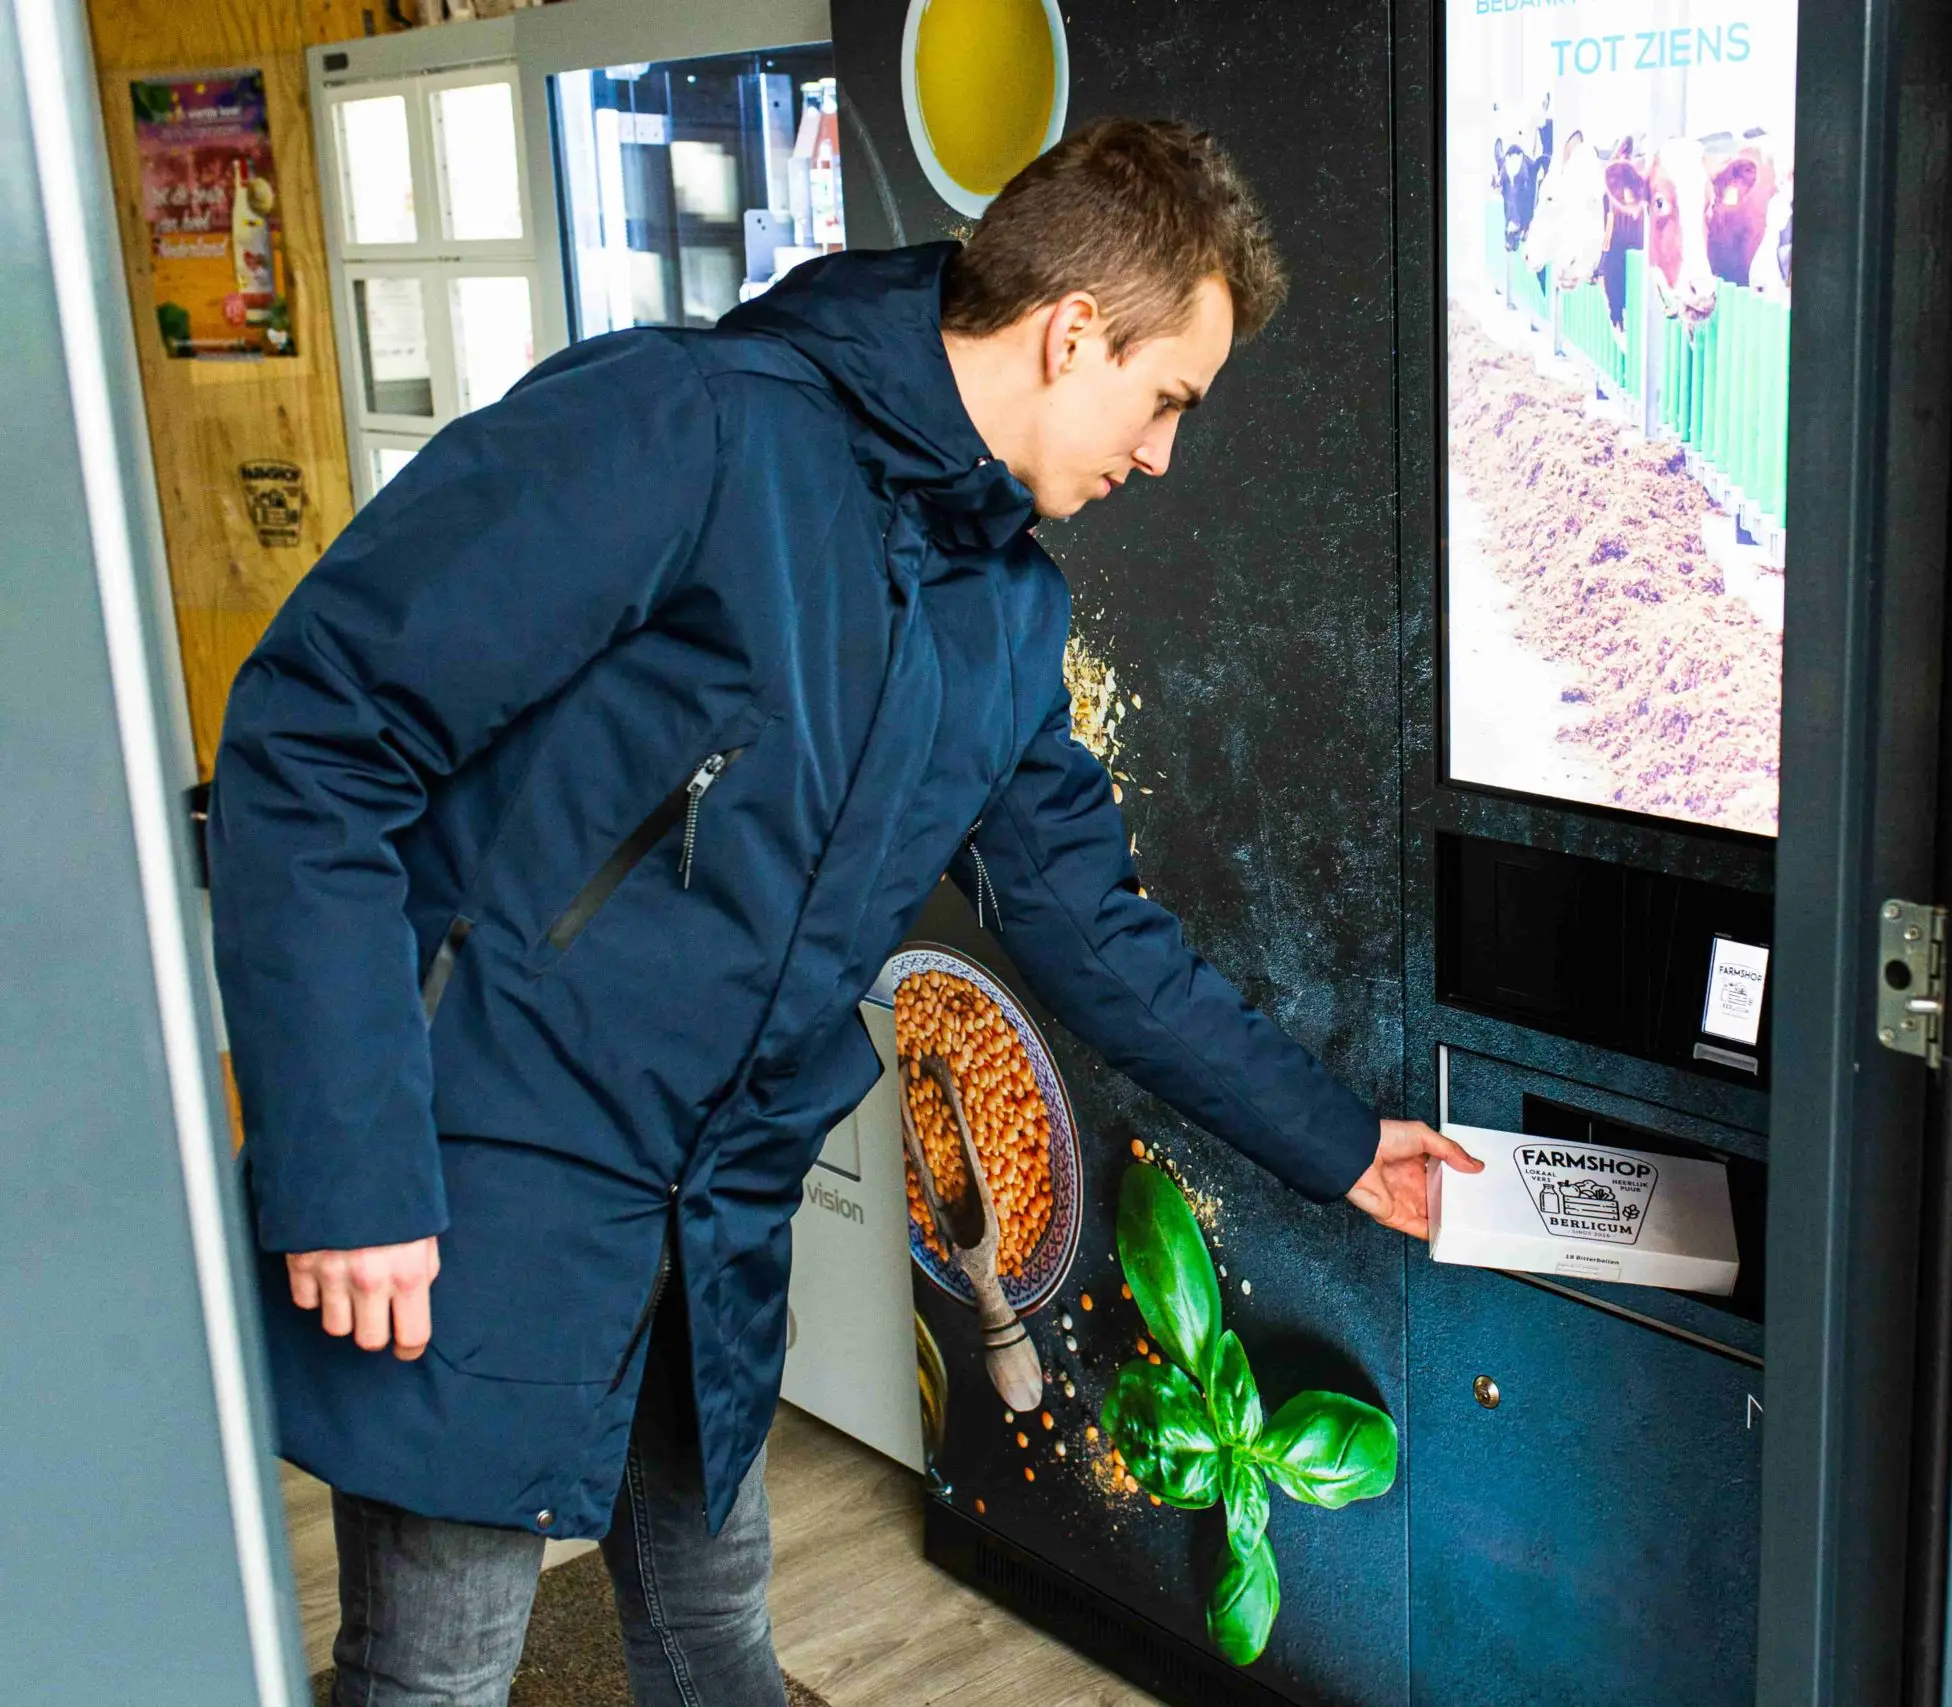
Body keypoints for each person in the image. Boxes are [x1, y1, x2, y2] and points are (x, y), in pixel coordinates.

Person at [209, 118, 1480, 1707]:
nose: (1162, 454)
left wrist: (1344, 1145)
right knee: (437, 1675)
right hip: (488, 1188)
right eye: (1166, 398)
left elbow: (1099, 936)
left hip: (714, 1220)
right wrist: (348, 1165)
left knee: (717, 1639)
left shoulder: (1008, 614)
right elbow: (317, 735)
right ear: (1073, 331)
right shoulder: (688, 424)